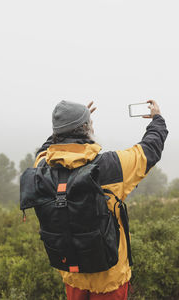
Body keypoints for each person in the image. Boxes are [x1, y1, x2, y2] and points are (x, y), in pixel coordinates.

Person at [34, 99, 168, 300]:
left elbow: (46, 148)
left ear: (57, 133)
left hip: (72, 274)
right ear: (87, 129)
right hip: (110, 279)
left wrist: (68, 124)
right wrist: (157, 119)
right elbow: (150, 149)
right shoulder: (112, 166)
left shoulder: (42, 167)